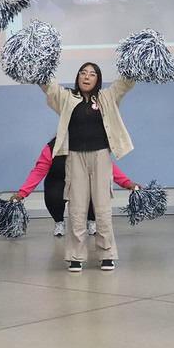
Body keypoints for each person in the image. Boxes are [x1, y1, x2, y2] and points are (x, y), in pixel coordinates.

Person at [40, 63, 135, 272]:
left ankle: (107, 254)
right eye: (83, 72)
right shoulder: (66, 98)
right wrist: (39, 67)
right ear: (78, 77)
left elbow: (124, 84)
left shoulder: (107, 97)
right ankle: (75, 256)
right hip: (74, 158)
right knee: (77, 208)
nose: (86, 77)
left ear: (97, 79)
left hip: (101, 156)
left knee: (102, 207)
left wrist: (136, 63)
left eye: (92, 74)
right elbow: (49, 87)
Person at [10, 137, 140, 237]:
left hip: (82, 179)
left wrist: (127, 183)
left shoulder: (90, 146)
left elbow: (107, 167)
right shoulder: (52, 148)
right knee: (53, 197)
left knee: (92, 193)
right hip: (58, 179)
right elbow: (38, 171)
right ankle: (59, 222)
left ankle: (91, 221)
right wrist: (22, 193)